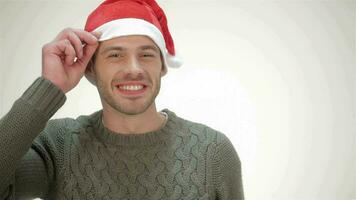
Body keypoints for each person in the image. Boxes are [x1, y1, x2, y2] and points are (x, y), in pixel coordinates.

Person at [0, 0, 244, 199]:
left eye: (146, 54)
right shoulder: (59, 146)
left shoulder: (212, 152)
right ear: (91, 68)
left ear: (162, 66)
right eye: (115, 55)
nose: (134, 68)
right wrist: (49, 87)